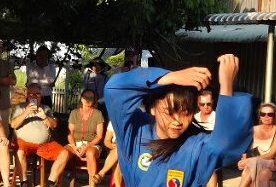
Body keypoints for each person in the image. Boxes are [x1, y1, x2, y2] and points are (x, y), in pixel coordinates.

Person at [105, 54, 253, 187]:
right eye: (169, 112)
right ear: (152, 108)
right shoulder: (135, 130)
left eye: (186, 112)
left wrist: (227, 87)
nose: (177, 121)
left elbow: (227, 145)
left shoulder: (195, 146)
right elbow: (114, 89)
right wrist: (169, 77)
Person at [10, 83, 70, 187]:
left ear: (41, 96)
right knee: (19, 152)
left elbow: (54, 125)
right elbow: (13, 125)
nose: (34, 96)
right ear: (27, 95)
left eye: (37, 94)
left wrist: (45, 117)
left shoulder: (45, 108)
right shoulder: (20, 107)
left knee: (64, 153)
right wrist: (26, 112)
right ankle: (24, 183)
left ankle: (51, 183)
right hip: (24, 143)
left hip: (44, 144)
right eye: (31, 94)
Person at [236, 102, 276, 187]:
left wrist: (249, 160)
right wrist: (243, 161)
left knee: (254, 163)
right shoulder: (253, 130)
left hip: (270, 164)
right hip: (251, 166)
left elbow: (272, 154)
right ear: (260, 116)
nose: (266, 116)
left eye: (270, 114)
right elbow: (245, 150)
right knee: (252, 165)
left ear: (275, 116)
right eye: (263, 114)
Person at [66, 89, 104, 187]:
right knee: (63, 152)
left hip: (92, 144)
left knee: (90, 153)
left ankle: (92, 184)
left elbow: (99, 136)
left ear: (94, 100)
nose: (88, 100)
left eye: (91, 98)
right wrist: (74, 146)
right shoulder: (74, 113)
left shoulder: (98, 114)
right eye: (85, 97)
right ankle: (55, 183)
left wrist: (87, 146)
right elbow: (70, 133)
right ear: (81, 99)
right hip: (75, 143)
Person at [92, 120, 122, 187]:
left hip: (131, 149)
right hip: (116, 149)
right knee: (118, 156)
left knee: (119, 150)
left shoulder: (135, 119)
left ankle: (101, 173)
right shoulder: (113, 121)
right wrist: (111, 145)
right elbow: (106, 140)